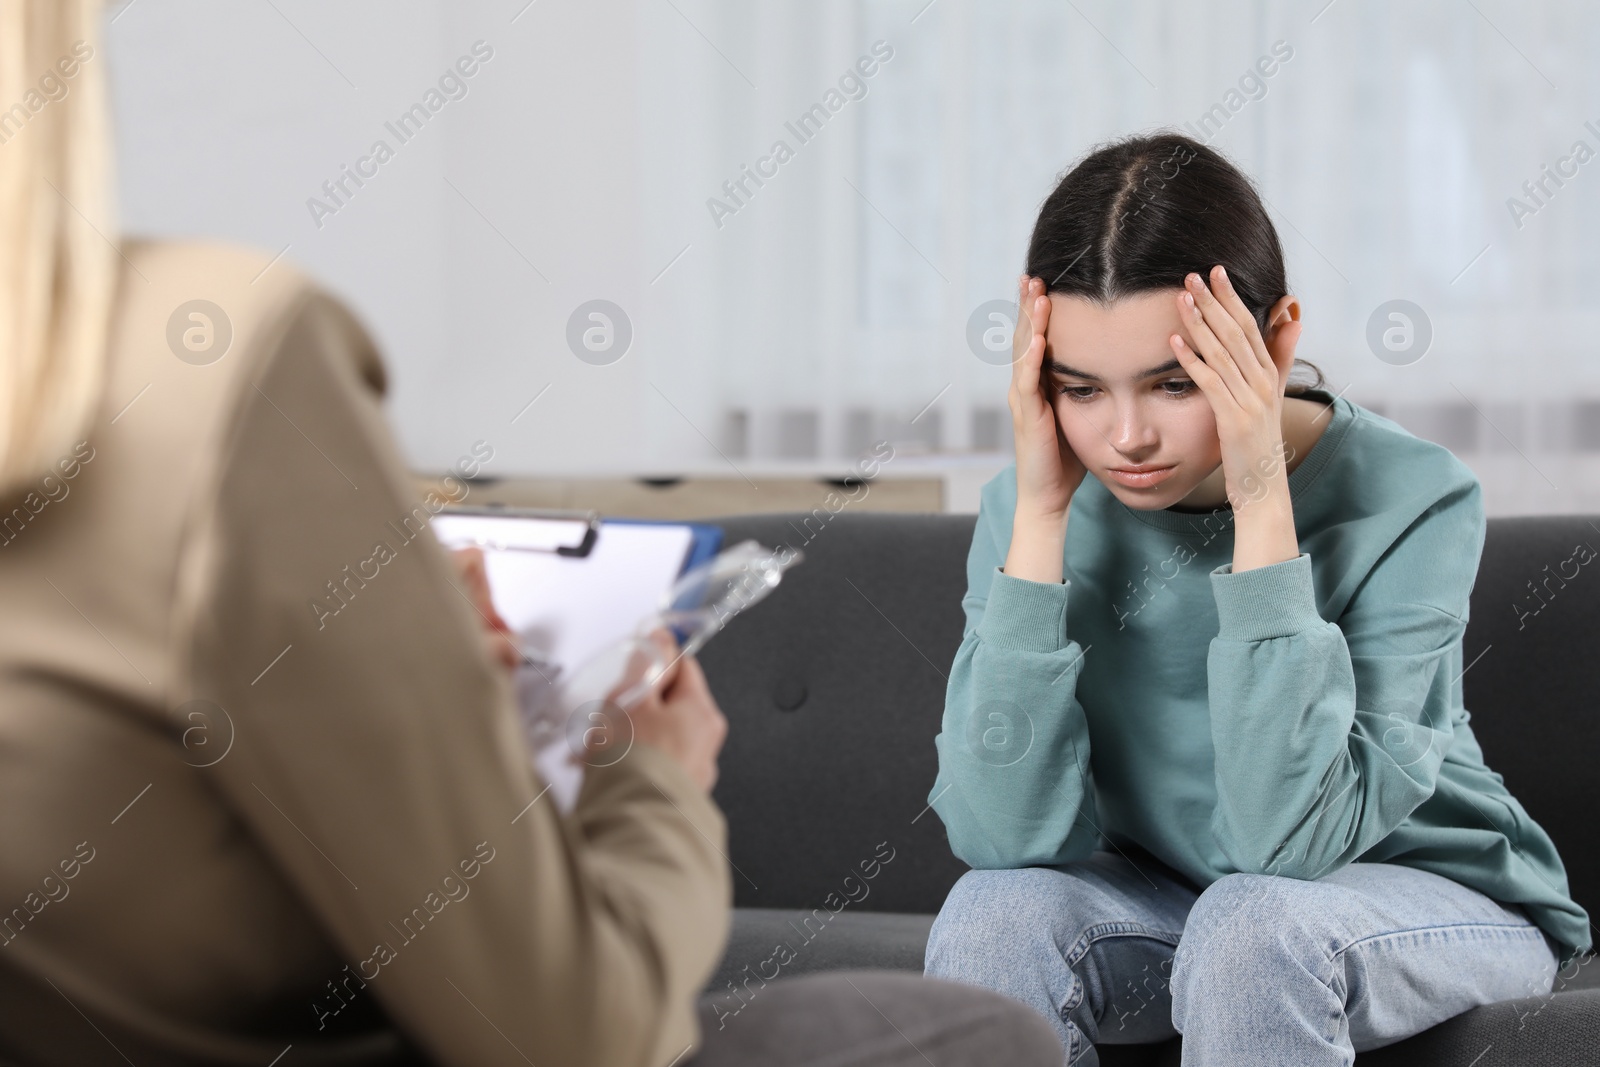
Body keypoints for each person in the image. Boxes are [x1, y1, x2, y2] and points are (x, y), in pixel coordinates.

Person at [0, 3, 1063, 1065]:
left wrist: (417, 692)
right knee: (974, 1034)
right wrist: (644, 774)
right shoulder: (210, 364)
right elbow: (571, 1032)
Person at [921, 131, 1593, 1065]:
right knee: (991, 913)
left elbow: (1289, 843)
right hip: (1178, 897)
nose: (1126, 437)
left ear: (1276, 337)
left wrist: (1259, 500)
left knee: (1254, 924)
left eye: (1174, 382)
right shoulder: (1033, 504)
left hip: (1424, 895)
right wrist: (1039, 514)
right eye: (1079, 388)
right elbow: (999, 834)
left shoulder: (1416, 497)